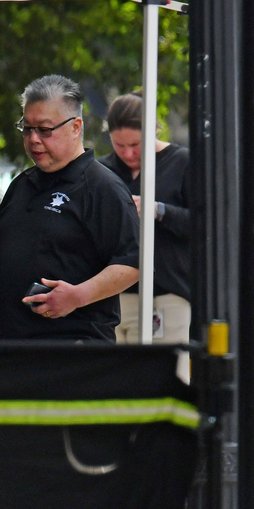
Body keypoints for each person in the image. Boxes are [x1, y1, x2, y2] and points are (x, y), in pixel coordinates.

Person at [0, 75, 141, 341]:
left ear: (75, 127)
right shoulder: (20, 186)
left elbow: (133, 263)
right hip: (7, 349)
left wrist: (77, 296)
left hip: (71, 352)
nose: (34, 139)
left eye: (45, 129)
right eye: (27, 128)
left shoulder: (103, 188)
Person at [99, 92, 193, 370]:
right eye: (119, 145)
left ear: (153, 129)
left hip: (166, 295)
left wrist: (159, 211)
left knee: (163, 377)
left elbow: (204, 224)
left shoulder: (182, 163)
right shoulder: (103, 170)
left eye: (135, 145)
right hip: (112, 297)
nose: (128, 154)